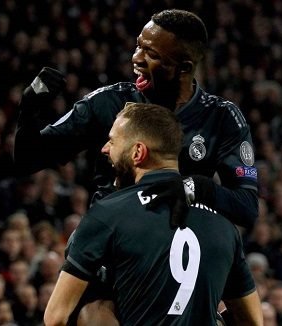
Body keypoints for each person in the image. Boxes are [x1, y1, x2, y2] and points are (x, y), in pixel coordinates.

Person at [13, 9, 258, 229]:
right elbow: (27, 160)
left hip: (171, 257)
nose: (136, 58)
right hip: (107, 253)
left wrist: (196, 187)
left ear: (183, 68)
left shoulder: (222, 117)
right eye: (138, 46)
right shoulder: (107, 103)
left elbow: (247, 208)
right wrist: (29, 110)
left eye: (150, 53)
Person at [44, 103, 262, 325]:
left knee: (92, 309)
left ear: (138, 152)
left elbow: (55, 318)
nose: (105, 148)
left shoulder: (108, 213)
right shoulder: (224, 225)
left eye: (112, 140)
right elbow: (253, 321)